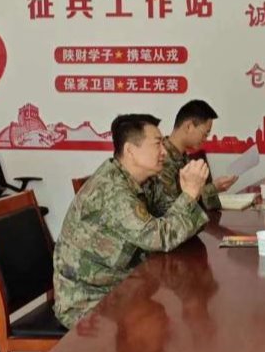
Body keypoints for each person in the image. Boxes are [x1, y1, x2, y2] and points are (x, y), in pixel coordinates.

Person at [53, 114, 210, 328]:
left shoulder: (144, 180)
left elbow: (172, 219)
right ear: (130, 150)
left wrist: (189, 193)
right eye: (157, 144)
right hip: (90, 299)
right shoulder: (112, 190)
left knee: (181, 307)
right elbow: (160, 237)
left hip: (125, 283)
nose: (164, 152)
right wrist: (189, 195)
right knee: (169, 327)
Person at [160, 99, 237, 211]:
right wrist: (212, 188)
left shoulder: (183, 157)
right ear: (189, 127)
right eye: (205, 134)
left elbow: (194, 202)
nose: (205, 139)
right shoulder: (161, 159)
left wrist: (214, 188)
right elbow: (172, 209)